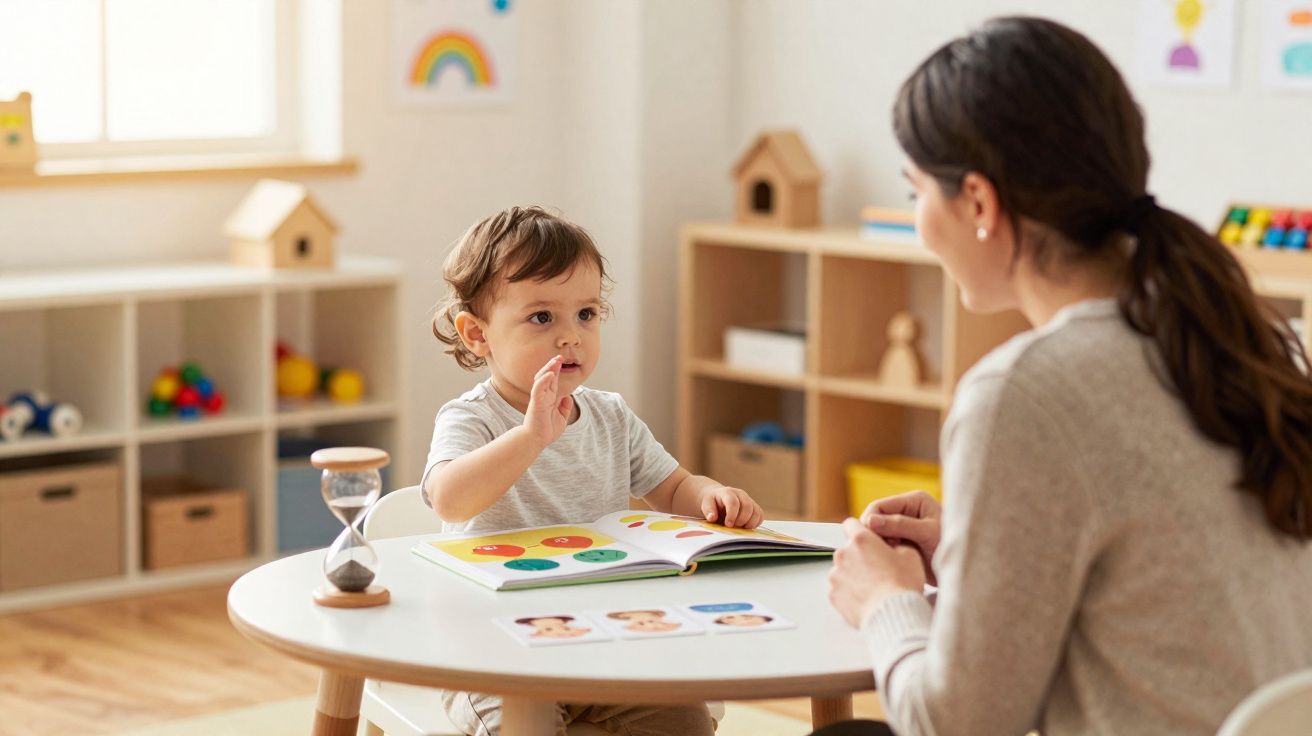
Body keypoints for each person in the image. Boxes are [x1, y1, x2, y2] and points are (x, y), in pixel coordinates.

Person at [823, 16, 1312, 736]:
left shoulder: (1024, 393)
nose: (920, 222)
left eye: (917, 192)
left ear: (981, 205)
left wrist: (882, 600)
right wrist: (971, 541)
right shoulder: (1236, 342)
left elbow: (957, 725)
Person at [425, 205, 765, 735]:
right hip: (496, 649)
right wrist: (530, 437)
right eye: (542, 317)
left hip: (606, 639)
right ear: (477, 334)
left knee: (686, 719)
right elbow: (449, 499)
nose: (571, 337)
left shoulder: (609, 414)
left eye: (586, 314)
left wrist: (711, 496)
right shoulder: (473, 418)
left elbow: (673, 488)